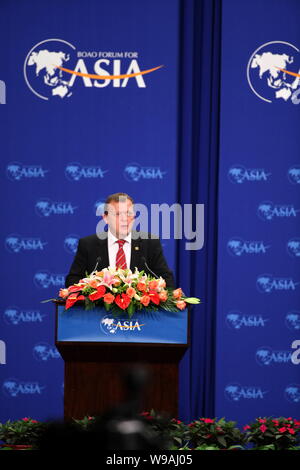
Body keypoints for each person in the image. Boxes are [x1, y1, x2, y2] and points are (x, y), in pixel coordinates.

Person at [65, 192, 175, 288]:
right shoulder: (88, 244)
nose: (124, 219)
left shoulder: (150, 243)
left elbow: (166, 281)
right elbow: (72, 281)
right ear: (106, 218)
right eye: (118, 214)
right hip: (100, 310)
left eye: (129, 213)